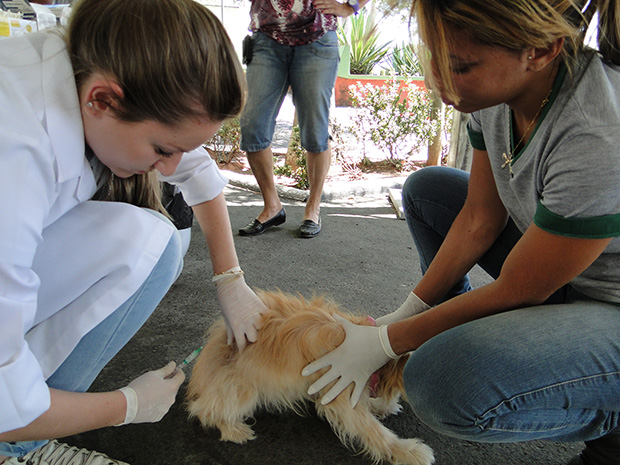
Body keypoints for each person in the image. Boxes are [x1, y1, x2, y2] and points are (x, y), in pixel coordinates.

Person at [302, 1, 620, 464]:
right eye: (432, 56)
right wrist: (402, 316)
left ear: (542, 50)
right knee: (429, 190)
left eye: (460, 66)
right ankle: (462, 324)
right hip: (566, 271)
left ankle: (610, 418)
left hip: (610, 298)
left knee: (441, 384)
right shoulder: (496, 98)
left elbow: (520, 288)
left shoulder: (597, 133)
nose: (437, 81)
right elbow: (478, 219)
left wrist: (387, 343)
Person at [0, 0, 266, 463]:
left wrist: (230, 278)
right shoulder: (13, 160)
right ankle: (16, 449)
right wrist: (124, 406)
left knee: (153, 241)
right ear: (102, 99)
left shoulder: (82, 63)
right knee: (151, 242)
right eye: (164, 149)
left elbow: (195, 168)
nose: (173, 167)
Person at [237, 0, 368, 238]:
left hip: (316, 39)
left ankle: (313, 207)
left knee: (315, 130)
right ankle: (272, 206)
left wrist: (351, 7)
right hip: (265, 38)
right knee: (253, 125)